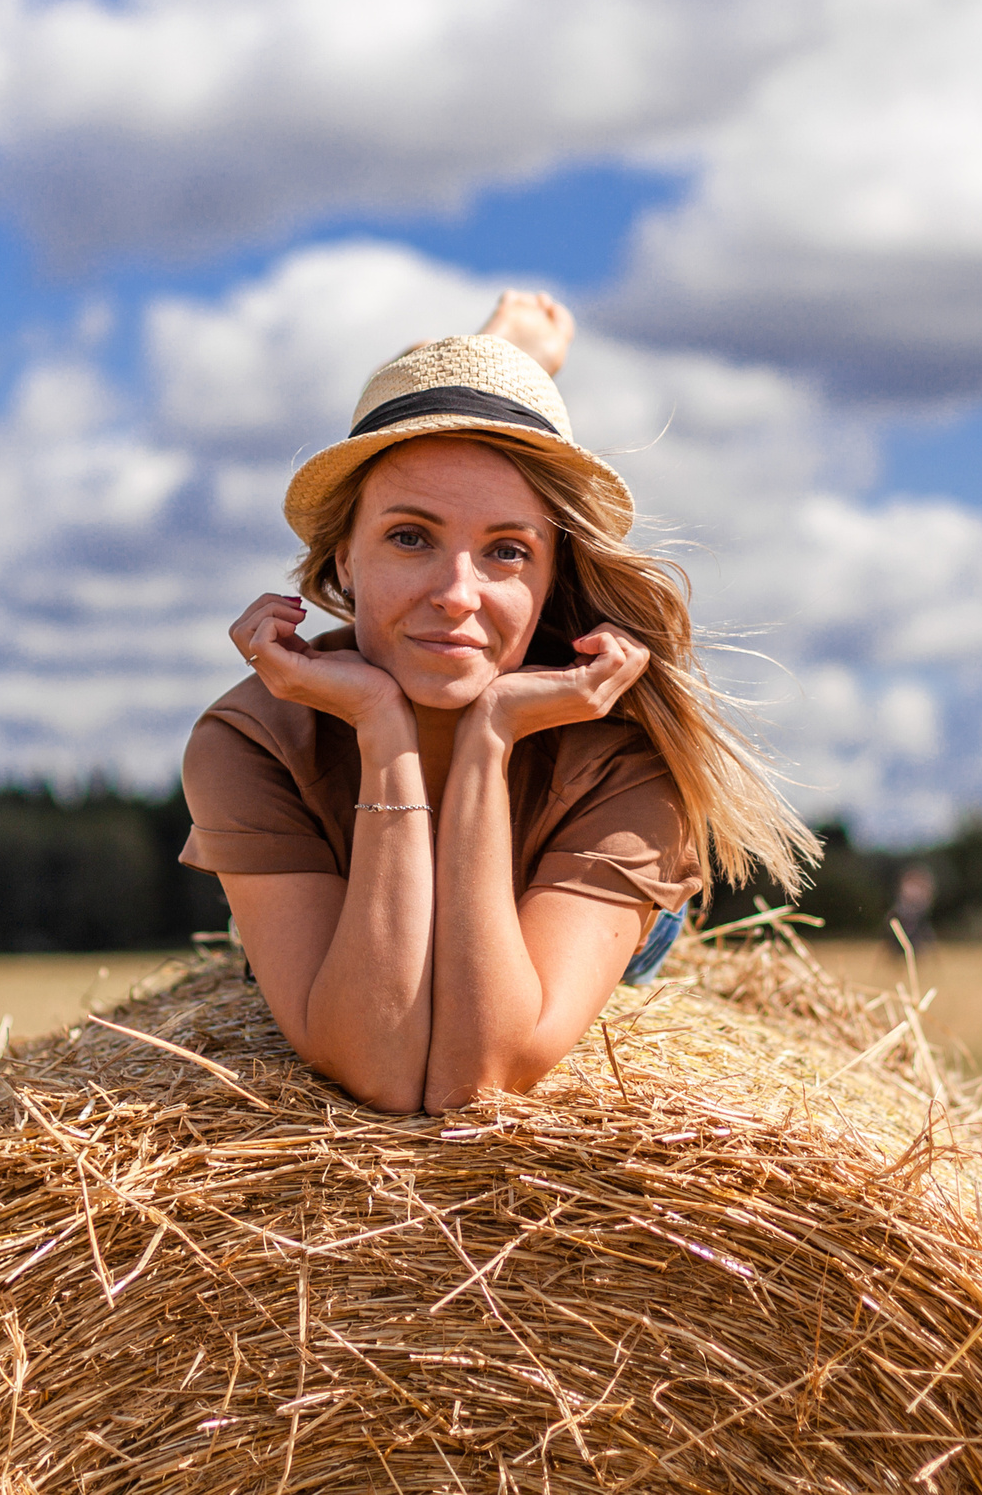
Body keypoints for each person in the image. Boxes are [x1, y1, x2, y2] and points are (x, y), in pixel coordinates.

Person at [180, 290, 818, 1114]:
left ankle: (488, 366)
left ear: (555, 579)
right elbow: (376, 1065)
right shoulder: (252, 738)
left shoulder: (625, 758)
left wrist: (492, 734)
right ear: (343, 560)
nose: (457, 594)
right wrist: (382, 728)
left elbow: (474, 1075)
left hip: (580, 908)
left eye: (507, 551)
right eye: (409, 536)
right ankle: (488, 366)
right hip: (350, 894)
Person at [891, 861, 936, 950]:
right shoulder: (906, 886)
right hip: (904, 914)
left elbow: (926, 900)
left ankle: (916, 945)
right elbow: (901, 902)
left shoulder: (923, 887)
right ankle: (895, 947)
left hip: (917, 915)